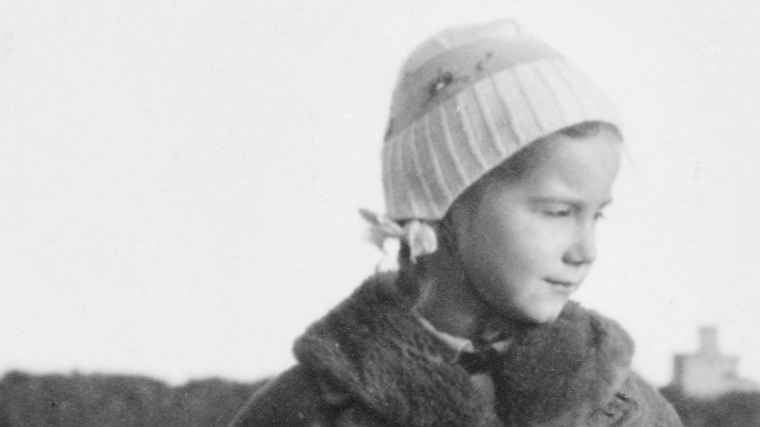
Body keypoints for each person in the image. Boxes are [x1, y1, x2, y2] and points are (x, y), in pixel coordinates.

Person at [229, 19, 683, 427]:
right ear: (441, 204)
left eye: (596, 214)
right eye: (559, 212)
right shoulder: (306, 411)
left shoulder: (628, 412)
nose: (585, 250)